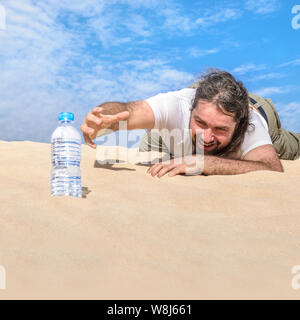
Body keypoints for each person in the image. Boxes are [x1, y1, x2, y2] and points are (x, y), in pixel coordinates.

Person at [80, 70, 300, 177]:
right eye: (201, 123)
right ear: (191, 110)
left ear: (239, 125)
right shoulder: (176, 104)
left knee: (286, 147)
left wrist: (207, 164)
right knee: (153, 146)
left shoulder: (251, 124)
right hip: (207, 95)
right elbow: (129, 111)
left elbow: (272, 169)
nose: (207, 136)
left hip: (255, 107)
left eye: (220, 129)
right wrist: (102, 118)